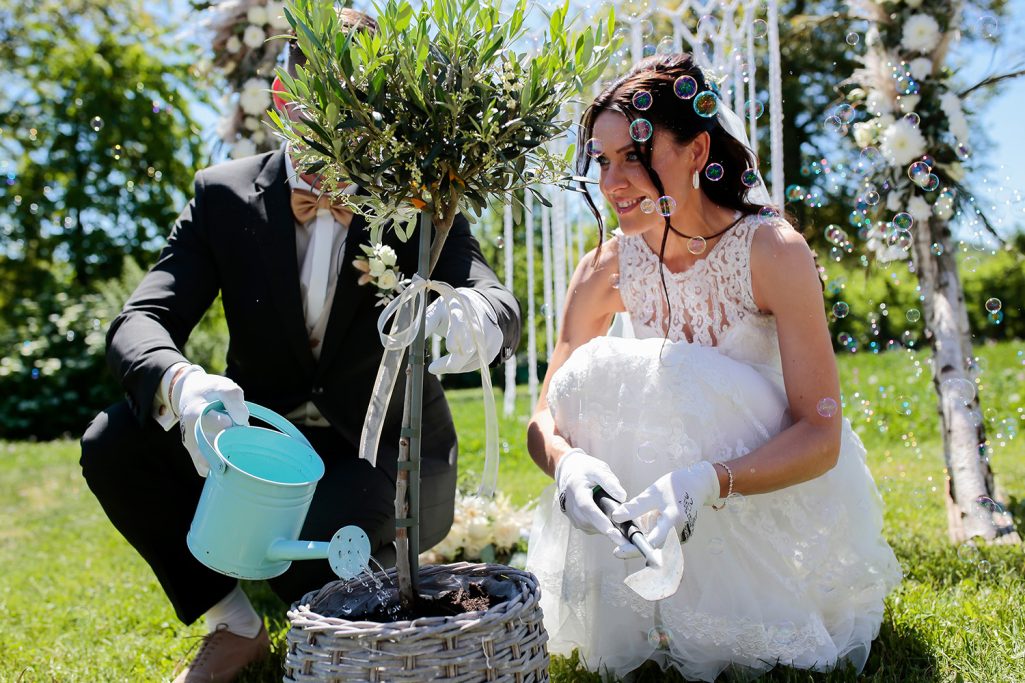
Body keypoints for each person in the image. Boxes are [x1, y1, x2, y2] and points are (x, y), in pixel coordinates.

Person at [79, 9, 520, 682]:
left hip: (378, 454)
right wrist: (182, 386)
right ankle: (233, 621)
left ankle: (335, 577)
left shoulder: (420, 197)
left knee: (308, 570)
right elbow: (141, 319)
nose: (352, 125)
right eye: (334, 103)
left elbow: (493, 297)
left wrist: (475, 318)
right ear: (285, 99)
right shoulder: (221, 196)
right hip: (265, 443)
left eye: (366, 106)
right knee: (111, 441)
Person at [524, 53, 900, 681]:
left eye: (635, 157)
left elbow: (821, 431)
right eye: (603, 161)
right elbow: (546, 412)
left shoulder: (771, 251)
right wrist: (567, 465)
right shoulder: (603, 269)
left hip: (764, 499)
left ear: (698, 151)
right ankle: (650, 599)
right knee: (602, 370)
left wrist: (706, 482)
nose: (614, 182)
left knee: (670, 372)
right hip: (648, 513)